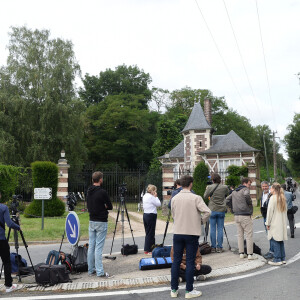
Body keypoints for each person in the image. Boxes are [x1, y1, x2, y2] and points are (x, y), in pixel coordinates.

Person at [170, 175, 211, 299]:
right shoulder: (196, 198)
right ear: (191, 184)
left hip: (178, 232)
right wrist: (200, 221)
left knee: (176, 261)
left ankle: (174, 289)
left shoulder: (175, 198)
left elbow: (173, 214)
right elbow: (208, 211)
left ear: (181, 184)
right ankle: (189, 290)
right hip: (191, 232)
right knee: (190, 260)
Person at [87, 171, 113, 277]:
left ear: (93, 180)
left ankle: (90, 269)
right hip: (101, 221)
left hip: (91, 220)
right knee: (98, 247)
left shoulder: (88, 191)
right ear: (100, 180)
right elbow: (110, 206)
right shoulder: (102, 192)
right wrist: (104, 206)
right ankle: (100, 272)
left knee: (91, 246)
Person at [226, 178, 257, 260]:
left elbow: (227, 200)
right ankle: (250, 254)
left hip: (236, 216)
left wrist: (232, 208)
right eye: (249, 184)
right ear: (245, 183)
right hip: (245, 215)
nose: (249, 186)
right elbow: (247, 195)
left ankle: (241, 253)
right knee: (249, 235)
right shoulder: (245, 189)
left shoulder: (234, 191)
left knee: (240, 235)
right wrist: (249, 203)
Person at [204, 173, 229, 253]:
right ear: (220, 179)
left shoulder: (210, 187)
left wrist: (207, 189)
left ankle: (213, 247)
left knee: (213, 229)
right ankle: (220, 247)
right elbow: (227, 194)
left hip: (212, 209)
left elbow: (205, 196)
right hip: (221, 209)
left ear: (213, 180)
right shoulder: (225, 187)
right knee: (220, 229)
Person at [0, 192, 20, 293]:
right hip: (1, 240)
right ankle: (8, 286)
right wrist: (18, 227)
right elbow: (9, 223)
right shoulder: (3, 208)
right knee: (7, 262)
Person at [265, 183, 288, 266]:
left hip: (274, 222)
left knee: (275, 240)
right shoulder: (282, 198)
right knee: (280, 240)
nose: (270, 190)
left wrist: (267, 223)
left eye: (271, 188)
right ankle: (282, 258)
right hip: (281, 222)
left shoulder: (273, 198)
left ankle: (277, 259)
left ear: (274, 189)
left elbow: (270, 212)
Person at [142, 184, 161, 254]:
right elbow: (158, 204)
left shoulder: (144, 196)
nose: (155, 192)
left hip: (145, 215)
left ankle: (146, 248)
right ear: (152, 191)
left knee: (148, 232)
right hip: (151, 215)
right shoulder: (151, 197)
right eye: (155, 191)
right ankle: (150, 249)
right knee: (151, 233)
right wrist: (156, 197)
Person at [260, 181, 274, 259]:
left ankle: (272, 251)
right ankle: (271, 250)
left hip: (270, 216)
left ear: (268, 186)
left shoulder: (271, 194)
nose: (264, 188)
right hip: (264, 215)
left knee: (271, 234)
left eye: (266, 186)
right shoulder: (262, 194)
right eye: (263, 186)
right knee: (268, 234)